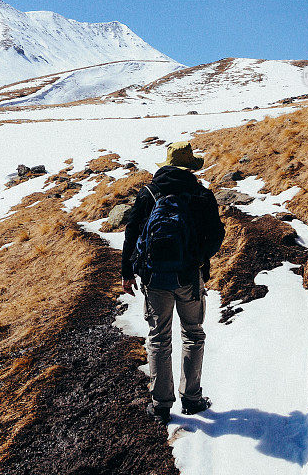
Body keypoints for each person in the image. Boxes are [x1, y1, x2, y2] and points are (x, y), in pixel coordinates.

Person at [122, 141, 225, 425]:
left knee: (159, 337)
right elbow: (216, 235)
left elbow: (131, 234)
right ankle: (191, 399)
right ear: (191, 167)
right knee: (192, 333)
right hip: (190, 278)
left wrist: (127, 272)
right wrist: (198, 258)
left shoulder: (149, 193)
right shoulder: (201, 195)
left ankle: (160, 404)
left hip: (155, 279)